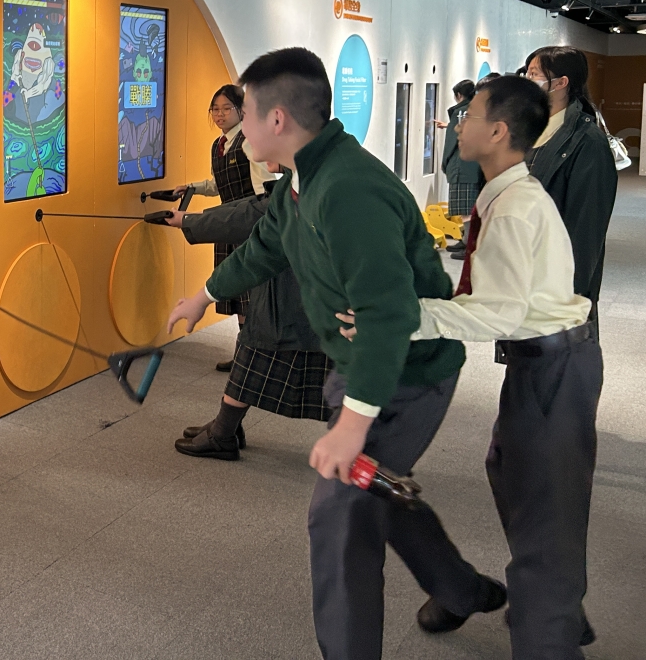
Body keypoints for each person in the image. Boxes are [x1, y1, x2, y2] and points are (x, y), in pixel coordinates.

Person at [167, 47, 501, 660]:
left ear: (276, 120)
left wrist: (352, 424)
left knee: (339, 516)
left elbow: (389, 315)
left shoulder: (348, 189)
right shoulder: (302, 178)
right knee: (376, 495)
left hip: (407, 373)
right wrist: (204, 295)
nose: (238, 126)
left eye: (246, 112)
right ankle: (461, 589)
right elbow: (266, 246)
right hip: (359, 368)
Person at [337, 75, 600, 655]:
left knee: (544, 507)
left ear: (499, 131)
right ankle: (558, 608)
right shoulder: (505, 196)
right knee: (514, 474)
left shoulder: (514, 209)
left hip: (555, 364)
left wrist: (405, 317)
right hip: (541, 361)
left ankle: (550, 633)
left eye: (471, 114)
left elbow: (498, 313)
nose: (459, 122)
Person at [167, 187, 331, 460]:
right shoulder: (299, 180)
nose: (264, 165)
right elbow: (256, 218)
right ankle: (225, 429)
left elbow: (255, 223)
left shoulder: (316, 184)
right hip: (307, 289)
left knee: (258, 349)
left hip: (318, 296)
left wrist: (189, 221)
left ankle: (223, 432)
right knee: (254, 349)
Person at [174, 85, 275, 371]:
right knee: (238, 296)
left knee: (251, 294)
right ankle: (243, 354)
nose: (219, 114)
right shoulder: (219, 145)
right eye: (215, 109)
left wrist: (260, 222)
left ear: (241, 111)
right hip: (227, 224)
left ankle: (252, 356)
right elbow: (219, 183)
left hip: (247, 223)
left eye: (226, 108)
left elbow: (263, 189)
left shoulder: (249, 142)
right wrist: (192, 187)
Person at [524, 46, 618, 316]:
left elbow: (586, 227)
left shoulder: (587, 141)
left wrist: (569, 294)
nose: (526, 81)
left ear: (561, 83)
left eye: (534, 74)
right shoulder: (528, 128)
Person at [438, 79, 483, 259]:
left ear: (458, 95)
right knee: (472, 207)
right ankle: (466, 241)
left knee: (466, 209)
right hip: (476, 166)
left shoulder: (460, 112)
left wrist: (445, 164)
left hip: (461, 167)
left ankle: (469, 245)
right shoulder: (479, 111)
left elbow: (452, 142)